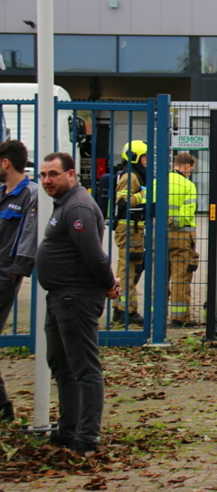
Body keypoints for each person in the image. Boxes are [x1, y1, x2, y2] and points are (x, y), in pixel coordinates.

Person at [35, 152, 119, 455]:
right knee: (60, 364)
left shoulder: (78, 206)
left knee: (84, 368)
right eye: (43, 175)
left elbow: (94, 254)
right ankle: (67, 429)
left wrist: (109, 283)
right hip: (61, 296)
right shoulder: (67, 204)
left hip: (76, 299)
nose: (47, 180)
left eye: (53, 174)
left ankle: (86, 437)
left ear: (71, 174)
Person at [0, 140, 37, 421]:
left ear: (5, 163)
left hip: (3, 275)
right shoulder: (3, 193)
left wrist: (14, 275)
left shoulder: (30, 195)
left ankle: (3, 408)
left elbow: (27, 239)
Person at [112, 140, 147, 325]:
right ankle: (128, 311)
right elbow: (123, 202)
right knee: (129, 269)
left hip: (132, 228)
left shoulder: (133, 175)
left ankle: (119, 309)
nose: (146, 161)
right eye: (144, 157)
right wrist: (144, 194)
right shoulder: (131, 176)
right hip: (129, 228)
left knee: (126, 268)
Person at [167, 152, 199, 328]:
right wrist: (174, 223)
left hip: (159, 235)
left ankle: (156, 315)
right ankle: (180, 318)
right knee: (180, 277)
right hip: (180, 236)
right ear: (187, 166)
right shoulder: (188, 185)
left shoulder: (158, 182)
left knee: (160, 276)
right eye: (191, 168)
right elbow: (186, 215)